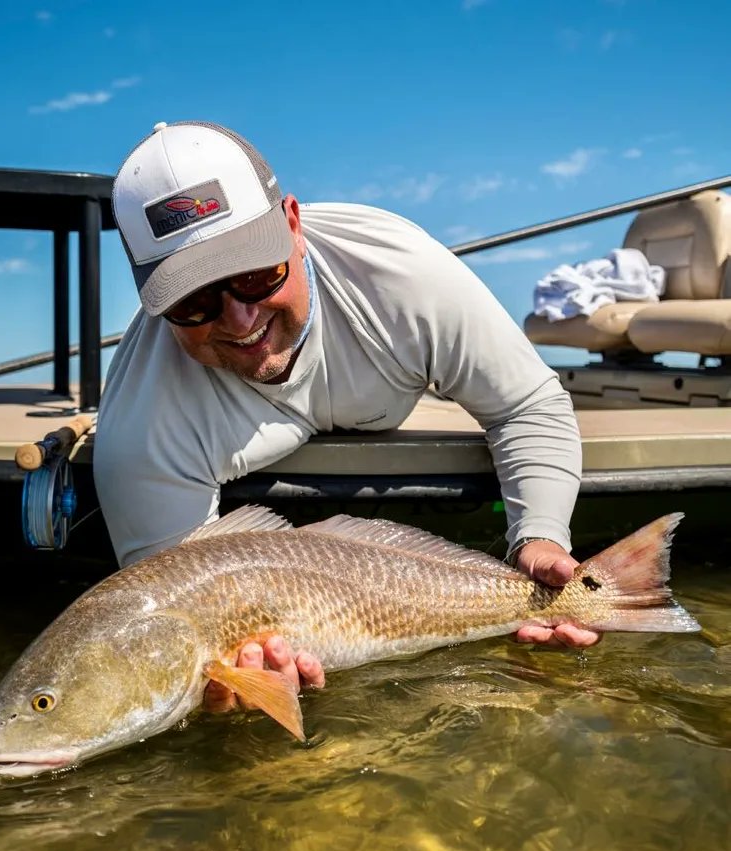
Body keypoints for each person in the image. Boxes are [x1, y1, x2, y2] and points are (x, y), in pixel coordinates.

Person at [94, 121, 598, 712]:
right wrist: (225, 689)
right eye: (193, 300)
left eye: (256, 274)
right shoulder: (142, 430)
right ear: (150, 296)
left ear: (292, 224)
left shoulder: (402, 274)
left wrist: (538, 538)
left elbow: (526, 404)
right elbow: (177, 617)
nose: (238, 320)